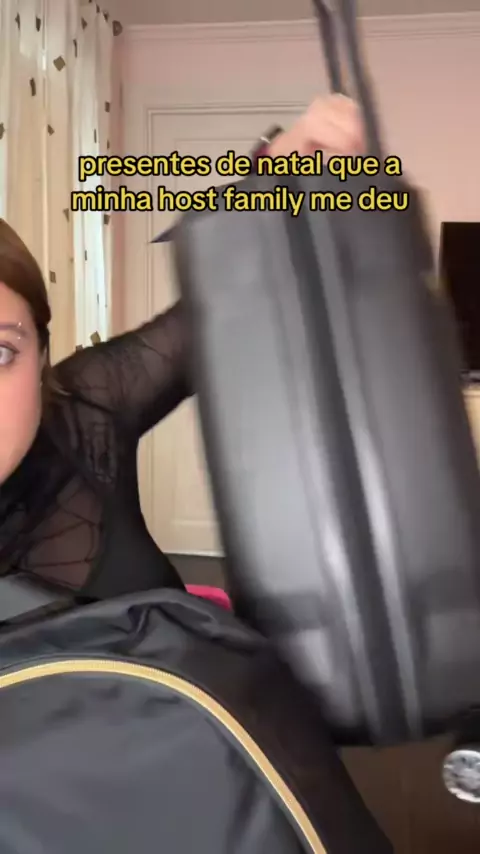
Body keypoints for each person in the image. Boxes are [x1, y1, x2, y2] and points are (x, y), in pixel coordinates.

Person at [0, 95, 364, 603]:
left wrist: (278, 168)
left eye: (0, 353)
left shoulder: (81, 412)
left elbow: (218, 308)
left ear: (41, 355)